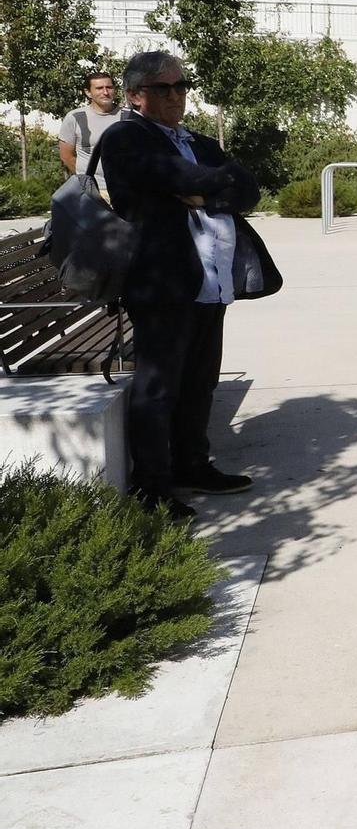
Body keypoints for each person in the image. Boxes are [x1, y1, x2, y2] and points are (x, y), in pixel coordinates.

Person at [96, 52, 283, 521]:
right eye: (165, 89)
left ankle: (193, 464)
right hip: (161, 281)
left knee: (200, 381)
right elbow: (175, 175)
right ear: (137, 95)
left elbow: (248, 188)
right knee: (159, 386)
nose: (177, 96)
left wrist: (206, 190)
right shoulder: (126, 137)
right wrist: (210, 184)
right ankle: (152, 485)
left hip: (211, 278)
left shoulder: (195, 140)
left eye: (182, 87)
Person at [58, 71, 123, 177]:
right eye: (99, 88)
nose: (105, 92)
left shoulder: (129, 116)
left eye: (109, 87)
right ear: (88, 92)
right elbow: (66, 156)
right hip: (91, 190)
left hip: (125, 190)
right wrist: (86, 181)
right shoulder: (75, 117)